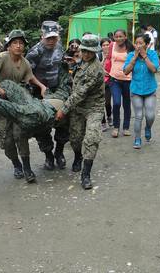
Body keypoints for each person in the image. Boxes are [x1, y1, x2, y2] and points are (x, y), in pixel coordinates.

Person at [0, 29, 47, 183]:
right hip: (2, 104)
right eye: (15, 43)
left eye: (21, 43)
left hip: (18, 102)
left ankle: (27, 168)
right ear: (9, 46)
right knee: (6, 140)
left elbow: (30, 77)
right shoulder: (2, 58)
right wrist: (0, 91)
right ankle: (16, 164)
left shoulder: (25, 62)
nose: (18, 46)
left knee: (20, 134)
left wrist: (41, 86)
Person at [55, 34, 105, 190]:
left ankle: (86, 174)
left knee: (91, 138)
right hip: (78, 108)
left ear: (95, 52)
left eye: (90, 52)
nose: (86, 54)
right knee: (76, 139)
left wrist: (63, 109)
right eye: (84, 51)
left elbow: (80, 93)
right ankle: (78, 156)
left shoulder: (95, 70)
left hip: (93, 108)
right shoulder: (81, 61)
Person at [26, 23, 70, 170]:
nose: (51, 41)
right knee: (42, 125)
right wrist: (40, 86)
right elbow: (27, 74)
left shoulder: (59, 47)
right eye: (48, 38)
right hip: (40, 93)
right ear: (42, 37)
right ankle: (48, 155)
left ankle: (59, 152)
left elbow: (63, 65)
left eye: (54, 38)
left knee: (63, 120)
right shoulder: (35, 52)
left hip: (58, 90)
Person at [123, 33, 160, 149]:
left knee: (150, 116)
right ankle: (137, 138)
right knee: (139, 115)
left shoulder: (152, 54)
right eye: (136, 43)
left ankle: (148, 128)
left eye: (141, 43)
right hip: (136, 90)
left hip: (150, 90)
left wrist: (145, 56)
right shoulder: (130, 55)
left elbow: (154, 69)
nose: (138, 46)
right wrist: (134, 58)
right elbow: (125, 71)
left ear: (147, 45)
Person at [106, 29, 134, 138]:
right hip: (114, 79)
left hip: (128, 80)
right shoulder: (111, 45)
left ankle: (126, 127)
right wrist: (104, 69)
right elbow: (108, 59)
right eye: (116, 36)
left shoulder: (130, 47)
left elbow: (136, 60)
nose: (118, 38)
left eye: (121, 36)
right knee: (116, 103)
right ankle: (116, 127)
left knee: (126, 104)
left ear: (125, 37)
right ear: (114, 37)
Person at [100, 38, 112, 131]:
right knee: (100, 103)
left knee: (107, 103)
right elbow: (97, 67)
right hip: (99, 82)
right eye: (104, 45)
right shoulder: (98, 55)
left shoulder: (113, 54)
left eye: (107, 44)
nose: (106, 47)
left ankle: (109, 116)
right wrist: (104, 58)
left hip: (110, 81)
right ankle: (103, 122)